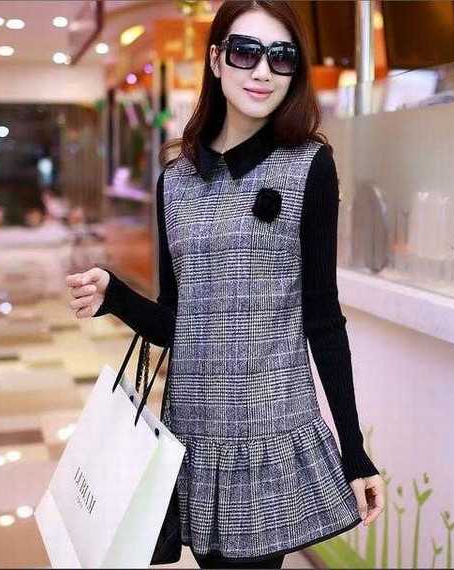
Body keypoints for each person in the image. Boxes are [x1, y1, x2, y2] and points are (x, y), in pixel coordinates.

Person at [66, 1, 385, 568]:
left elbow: (322, 318)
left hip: (268, 435)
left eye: (281, 57)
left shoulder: (309, 166)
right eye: (245, 52)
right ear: (216, 60)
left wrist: (354, 451)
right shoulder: (176, 181)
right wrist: (115, 295)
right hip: (194, 435)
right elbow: (175, 323)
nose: (263, 71)